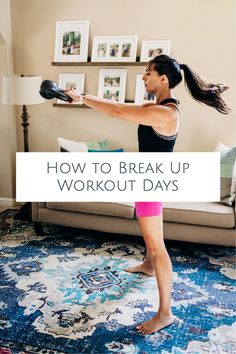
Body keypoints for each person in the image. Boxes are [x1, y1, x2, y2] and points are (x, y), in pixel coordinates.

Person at [65, 55, 230, 335]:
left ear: (163, 79)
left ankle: (165, 312)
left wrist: (82, 98)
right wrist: (84, 97)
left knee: (157, 245)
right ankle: (149, 265)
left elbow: (118, 112)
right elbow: (122, 109)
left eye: (148, 73)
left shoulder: (165, 113)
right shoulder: (161, 107)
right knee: (150, 240)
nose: (144, 77)